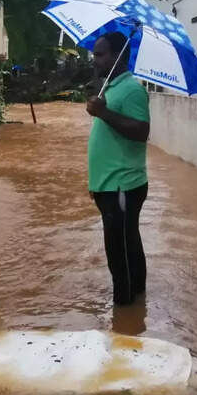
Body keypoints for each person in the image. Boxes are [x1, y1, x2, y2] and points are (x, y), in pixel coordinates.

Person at [86, 32, 151, 305]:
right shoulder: (111, 88)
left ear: (118, 56)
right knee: (127, 243)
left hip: (123, 184)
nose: (95, 59)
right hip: (109, 184)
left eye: (100, 54)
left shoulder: (133, 89)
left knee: (118, 249)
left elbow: (141, 131)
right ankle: (136, 298)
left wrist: (103, 113)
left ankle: (124, 312)